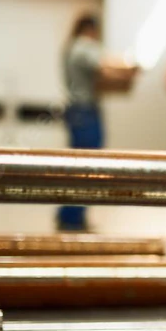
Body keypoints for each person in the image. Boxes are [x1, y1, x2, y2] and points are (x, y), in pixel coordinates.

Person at [58, 14, 127, 231]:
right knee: (86, 165)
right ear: (91, 29)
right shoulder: (84, 47)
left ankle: (70, 214)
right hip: (84, 112)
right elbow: (104, 69)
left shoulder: (71, 47)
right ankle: (72, 217)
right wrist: (128, 73)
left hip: (78, 111)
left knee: (79, 164)